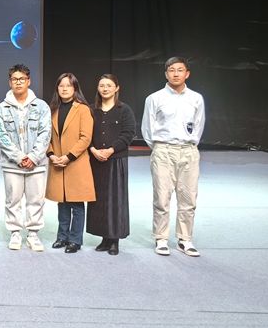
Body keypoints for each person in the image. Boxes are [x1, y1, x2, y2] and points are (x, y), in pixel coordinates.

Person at [141, 56, 206, 257]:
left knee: (188, 197)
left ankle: (184, 239)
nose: (176, 74)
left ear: (187, 73)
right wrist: (160, 148)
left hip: (188, 150)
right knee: (162, 197)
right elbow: (147, 128)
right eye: (171, 70)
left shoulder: (196, 98)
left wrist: (189, 145)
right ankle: (161, 238)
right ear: (166, 74)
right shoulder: (154, 98)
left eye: (180, 70)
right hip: (163, 150)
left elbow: (198, 125)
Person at [0, 64, 51, 252]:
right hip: (12, 164)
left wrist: (33, 157)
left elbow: (45, 133)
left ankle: (33, 234)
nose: (18, 82)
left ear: (29, 81)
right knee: (13, 200)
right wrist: (19, 157)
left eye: (22, 79)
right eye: (14, 79)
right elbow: (1, 135)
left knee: (36, 199)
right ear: (10, 82)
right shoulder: (2, 108)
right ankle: (15, 233)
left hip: (37, 164)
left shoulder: (41, 106)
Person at [45, 73, 96, 254]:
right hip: (57, 161)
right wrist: (51, 154)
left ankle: (75, 240)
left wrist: (69, 156)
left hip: (76, 162)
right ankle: (62, 237)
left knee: (76, 204)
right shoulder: (53, 109)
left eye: (68, 85)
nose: (64, 89)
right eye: (61, 85)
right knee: (62, 203)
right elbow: (46, 136)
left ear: (75, 88)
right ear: (57, 89)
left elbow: (85, 137)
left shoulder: (83, 109)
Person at [87, 74, 136, 256]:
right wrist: (93, 149)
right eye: (102, 85)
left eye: (109, 85)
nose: (105, 88)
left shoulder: (124, 110)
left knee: (115, 200)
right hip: (95, 160)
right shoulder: (91, 110)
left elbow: (128, 133)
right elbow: (85, 133)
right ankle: (104, 238)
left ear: (117, 88)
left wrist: (110, 150)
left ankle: (114, 240)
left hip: (116, 160)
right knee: (99, 200)